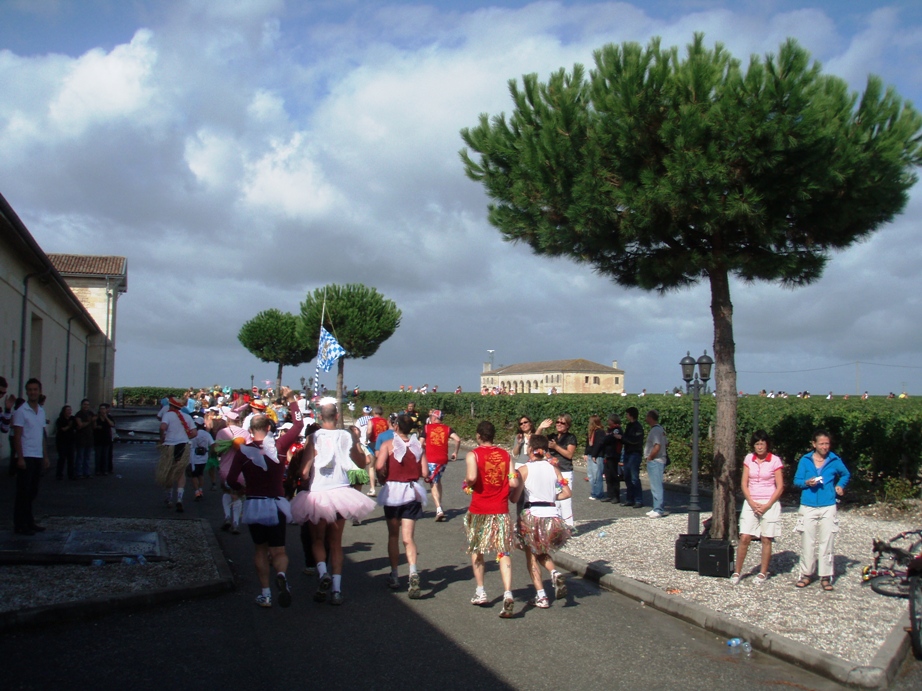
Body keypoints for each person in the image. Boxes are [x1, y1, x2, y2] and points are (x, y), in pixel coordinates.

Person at [290, 399, 375, 605]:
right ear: (337, 416)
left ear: (320, 417)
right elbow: (361, 462)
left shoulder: (313, 437)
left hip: (319, 493)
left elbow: (304, 470)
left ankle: (322, 573)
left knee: (317, 540)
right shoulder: (347, 435)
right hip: (341, 493)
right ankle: (337, 590)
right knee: (336, 544)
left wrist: (303, 474)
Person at [225, 409, 301, 608]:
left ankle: (265, 594)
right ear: (269, 428)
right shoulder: (279, 446)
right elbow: (299, 425)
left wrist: (241, 489)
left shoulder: (243, 452)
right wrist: (293, 401)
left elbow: (231, 479)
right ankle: (282, 575)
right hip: (276, 503)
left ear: (250, 430)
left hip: (254, 502)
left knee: (260, 549)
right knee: (279, 550)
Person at [463, 420, 519, 618]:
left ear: (478, 436)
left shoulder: (474, 454)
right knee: (502, 551)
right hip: (501, 510)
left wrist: (470, 482)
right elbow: (513, 481)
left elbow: (471, 478)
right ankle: (508, 593)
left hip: (480, 509)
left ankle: (481, 591)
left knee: (477, 549)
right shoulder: (505, 455)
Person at [510, 435, 572, 607]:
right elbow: (567, 493)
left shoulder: (524, 469)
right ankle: (553, 574)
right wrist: (551, 497)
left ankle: (542, 595)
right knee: (541, 551)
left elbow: (515, 498)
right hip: (552, 515)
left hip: (532, 515)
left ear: (530, 449)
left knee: (531, 555)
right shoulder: (554, 468)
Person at [375, 412, 429, 598]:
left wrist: (383, 476)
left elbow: (379, 466)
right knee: (409, 537)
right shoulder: (418, 446)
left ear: (395, 427)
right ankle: (413, 572)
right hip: (412, 490)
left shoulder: (387, 445)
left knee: (393, 535)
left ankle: (395, 574)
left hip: (393, 491)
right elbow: (424, 472)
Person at [794, 429, 850, 591]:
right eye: (822, 444)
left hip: (828, 505)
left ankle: (825, 576)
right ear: (814, 444)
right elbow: (797, 481)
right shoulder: (805, 460)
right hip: (808, 505)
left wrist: (840, 485)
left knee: (827, 541)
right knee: (808, 541)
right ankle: (806, 574)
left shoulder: (834, 460)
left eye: (827, 444)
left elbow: (845, 474)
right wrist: (807, 483)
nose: (825, 447)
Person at [731, 431, 784, 585]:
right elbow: (744, 483)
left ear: (767, 444)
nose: (759, 447)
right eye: (757, 444)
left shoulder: (775, 461)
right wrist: (751, 502)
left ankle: (762, 572)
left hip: (769, 501)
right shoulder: (749, 459)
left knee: (766, 538)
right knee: (745, 536)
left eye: (762, 444)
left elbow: (780, 487)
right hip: (751, 501)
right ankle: (737, 571)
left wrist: (767, 505)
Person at [11, 378, 49, 535]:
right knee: (23, 492)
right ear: (27, 392)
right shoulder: (21, 411)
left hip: (37, 455)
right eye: (30, 390)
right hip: (26, 455)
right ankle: (20, 524)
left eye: (35, 389)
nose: (33, 392)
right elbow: (17, 436)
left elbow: (41, 436)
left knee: (33, 490)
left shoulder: (41, 411)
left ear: (39, 391)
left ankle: (29, 520)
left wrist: (45, 456)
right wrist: (19, 457)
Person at [156, 396, 196, 512]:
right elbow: (194, 433)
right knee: (180, 472)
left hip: (170, 445)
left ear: (171, 406)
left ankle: (169, 498)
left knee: (168, 470)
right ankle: (179, 499)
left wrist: (162, 437)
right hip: (183, 445)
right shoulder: (187, 416)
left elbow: (162, 427)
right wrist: (185, 437)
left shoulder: (168, 415)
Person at [536, 414, 577, 526]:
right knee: (554, 499)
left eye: (562, 423)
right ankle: (557, 526)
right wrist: (540, 428)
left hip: (565, 471)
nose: (559, 424)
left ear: (567, 425)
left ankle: (569, 526)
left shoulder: (570, 437)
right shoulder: (552, 436)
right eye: (557, 422)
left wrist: (555, 447)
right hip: (552, 471)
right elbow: (535, 441)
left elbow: (569, 454)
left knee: (565, 500)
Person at [422, 409, 461, 521]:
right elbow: (457, 439)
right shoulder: (447, 428)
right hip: (443, 460)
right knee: (437, 480)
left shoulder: (426, 428)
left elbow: (420, 443)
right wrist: (455, 452)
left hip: (431, 459)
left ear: (433, 418)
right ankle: (439, 504)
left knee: (433, 483)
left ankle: (438, 508)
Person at [644, 410, 668, 518]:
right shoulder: (661, 429)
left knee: (656, 485)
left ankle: (658, 509)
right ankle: (656, 507)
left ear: (650, 417)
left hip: (656, 460)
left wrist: (650, 457)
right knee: (654, 485)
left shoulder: (655, 431)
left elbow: (657, 446)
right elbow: (666, 443)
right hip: (659, 459)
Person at [365, 406, 389, 497]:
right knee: (384, 464)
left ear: (374, 412)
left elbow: (369, 431)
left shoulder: (371, 421)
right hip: (384, 443)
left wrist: (367, 438)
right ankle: (385, 486)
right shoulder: (385, 421)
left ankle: (372, 489)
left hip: (373, 443)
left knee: (371, 466)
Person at [188, 415, 214, 501]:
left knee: (194, 474)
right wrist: (211, 453)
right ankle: (200, 489)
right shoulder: (207, 434)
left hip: (193, 456)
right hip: (204, 456)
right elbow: (213, 444)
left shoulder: (192, 434)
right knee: (201, 474)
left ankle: (196, 491)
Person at [583, 414, 607, 500]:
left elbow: (599, 444)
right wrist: (586, 453)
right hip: (590, 454)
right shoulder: (591, 431)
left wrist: (594, 454)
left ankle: (598, 493)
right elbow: (587, 443)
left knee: (597, 475)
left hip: (597, 456)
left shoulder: (600, 431)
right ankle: (594, 491)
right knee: (591, 475)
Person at [601, 414, 623, 503]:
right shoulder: (610, 430)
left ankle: (616, 496)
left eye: (609, 420)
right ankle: (609, 495)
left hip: (613, 455)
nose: (608, 421)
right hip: (607, 455)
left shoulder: (617, 429)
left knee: (614, 476)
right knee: (608, 476)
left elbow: (610, 439)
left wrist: (607, 437)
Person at [73, 398, 95, 479]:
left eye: (87, 405)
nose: (86, 406)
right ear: (82, 405)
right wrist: (89, 421)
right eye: (85, 404)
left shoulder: (91, 413)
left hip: (89, 437)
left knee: (87, 457)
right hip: (81, 438)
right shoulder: (78, 414)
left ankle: (87, 472)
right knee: (80, 456)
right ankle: (78, 472)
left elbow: (94, 422)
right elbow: (80, 425)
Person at [55, 405, 76, 481]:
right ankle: (59, 474)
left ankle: (71, 474)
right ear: (64, 411)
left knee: (71, 459)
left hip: (71, 441)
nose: (69, 412)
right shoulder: (60, 420)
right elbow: (62, 429)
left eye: (70, 410)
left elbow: (77, 427)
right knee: (62, 458)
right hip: (62, 441)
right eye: (67, 410)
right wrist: (69, 426)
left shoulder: (72, 418)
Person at [93, 403, 115, 476]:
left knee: (105, 456)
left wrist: (106, 417)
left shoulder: (109, 417)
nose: (102, 410)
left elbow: (112, 424)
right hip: (98, 439)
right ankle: (97, 470)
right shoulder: (97, 417)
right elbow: (94, 426)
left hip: (106, 439)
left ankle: (105, 470)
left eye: (104, 409)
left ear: (106, 410)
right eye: (101, 409)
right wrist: (96, 425)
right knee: (98, 456)